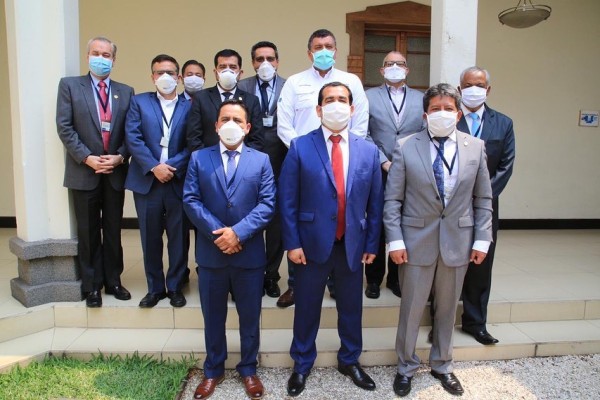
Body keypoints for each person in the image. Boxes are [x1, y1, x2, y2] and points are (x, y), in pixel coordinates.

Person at [384, 83, 493, 397]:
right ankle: (405, 366)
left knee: (446, 309)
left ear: (458, 114)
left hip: (458, 240)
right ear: (425, 114)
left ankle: (442, 364)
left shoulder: (476, 147)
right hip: (415, 241)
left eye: (448, 108)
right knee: (411, 308)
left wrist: (482, 239)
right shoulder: (406, 146)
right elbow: (392, 200)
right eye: (435, 109)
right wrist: (395, 241)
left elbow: (483, 198)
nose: (442, 113)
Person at [279, 82, 383, 397]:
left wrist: (371, 244)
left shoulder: (368, 150)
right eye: (329, 100)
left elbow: (375, 202)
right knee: (306, 307)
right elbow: (287, 200)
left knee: (351, 308)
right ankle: (301, 363)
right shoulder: (300, 146)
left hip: (352, 245)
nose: (336, 105)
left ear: (351, 109)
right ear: (319, 109)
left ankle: (349, 359)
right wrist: (292, 243)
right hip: (310, 245)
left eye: (341, 100)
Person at [183, 99, 275, 400]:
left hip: (249, 255)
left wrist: (238, 233)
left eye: (237, 120)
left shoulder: (261, 160)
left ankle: (248, 368)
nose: (231, 125)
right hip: (212, 254)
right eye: (225, 119)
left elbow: (267, 204)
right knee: (213, 317)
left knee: (250, 317)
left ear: (247, 127)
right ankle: (213, 370)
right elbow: (191, 200)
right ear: (216, 125)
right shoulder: (199, 158)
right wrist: (220, 235)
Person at [276, 28, 369, 308]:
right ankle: (297, 285)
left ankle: (338, 283)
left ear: (336, 50)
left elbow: (361, 122)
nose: (324, 51)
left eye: (328, 46)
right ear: (309, 53)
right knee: (305, 220)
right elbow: (284, 123)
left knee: (339, 218)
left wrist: (347, 150)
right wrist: (306, 153)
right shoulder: (295, 82)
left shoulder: (351, 81)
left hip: (345, 159)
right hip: (306, 165)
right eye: (318, 47)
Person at [56, 36, 134, 308]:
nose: (101, 58)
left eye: (106, 54)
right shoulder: (70, 86)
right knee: (88, 231)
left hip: (114, 172)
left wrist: (121, 156)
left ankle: (113, 281)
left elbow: (131, 131)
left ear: (114, 59)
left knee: (113, 229)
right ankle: (92, 286)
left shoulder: (126, 92)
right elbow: (64, 127)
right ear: (87, 56)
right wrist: (87, 158)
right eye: (96, 53)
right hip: (84, 171)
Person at [125, 54, 191, 308]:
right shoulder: (139, 102)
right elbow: (133, 138)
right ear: (152, 77)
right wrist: (154, 167)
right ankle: (154, 288)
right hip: (147, 181)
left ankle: (175, 286)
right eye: (159, 72)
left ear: (179, 77)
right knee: (150, 237)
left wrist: (171, 167)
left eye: (170, 72)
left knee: (178, 237)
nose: (165, 77)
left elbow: (192, 143)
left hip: (177, 180)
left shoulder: (190, 106)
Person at [457, 66, 516, 344]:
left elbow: (505, 166)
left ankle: (475, 322)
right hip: (450, 207)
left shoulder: (503, 123)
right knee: (446, 264)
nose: (474, 89)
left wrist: (482, 198)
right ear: (460, 89)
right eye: (468, 84)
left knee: (481, 264)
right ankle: (440, 320)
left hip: (487, 207)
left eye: (479, 85)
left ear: (488, 90)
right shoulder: (449, 119)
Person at [364, 51, 425, 299]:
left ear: (407, 70)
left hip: (410, 171)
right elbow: (364, 133)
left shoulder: (421, 98)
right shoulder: (368, 97)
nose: (395, 67)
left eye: (400, 64)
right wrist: (384, 161)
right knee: (377, 223)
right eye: (390, 64)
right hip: (378, 169)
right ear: (382, 70)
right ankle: (373, 279)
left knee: (403, 222)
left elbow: (424, 133)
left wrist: (406, 163)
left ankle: (396, 278)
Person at [237, 41, 287, 298]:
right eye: (259, 59)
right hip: (249, 160)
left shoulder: (290, 86)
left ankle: (271, 275)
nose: (265, 63)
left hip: (281, 160)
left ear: (277, 61)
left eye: (270, 58)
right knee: (248, 217)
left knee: (276, 222)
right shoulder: (242, 87)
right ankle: (251, 272)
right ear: (253, 63)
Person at [186, 49, 264, 152]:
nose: (228, 71)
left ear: (240, 73)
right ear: (215, 73)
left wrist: (240, 158)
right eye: (222, 67)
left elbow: (257, 139)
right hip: (208, 160)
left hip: (242, 160)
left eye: (233, 67)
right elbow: (193, 137)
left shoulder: (252, 100)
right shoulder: (201, 97)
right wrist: (207, 158)